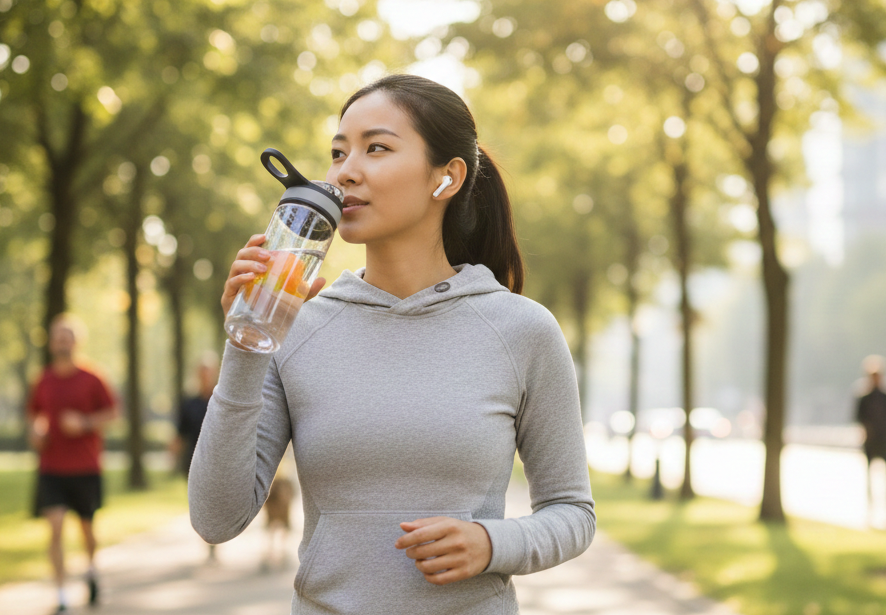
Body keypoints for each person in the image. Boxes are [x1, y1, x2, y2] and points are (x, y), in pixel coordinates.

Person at [189, 74, 595, 613]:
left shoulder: (522, 331)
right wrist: (248, 341)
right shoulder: (299, 326)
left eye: (376, 148)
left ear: (446, 178)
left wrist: (494, 543)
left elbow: (572, 511)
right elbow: (216, 519)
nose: (344, 172)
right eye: (337, 153)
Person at [28, 314, 118, 613]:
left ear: (77, 341)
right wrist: (36, 432)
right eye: (58, 336)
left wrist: (84, 422)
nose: (63, 342)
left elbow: (113, 414)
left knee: (86, 528)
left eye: (68, 336)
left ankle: (91, 570)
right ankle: (61, 594)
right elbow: (34, 416)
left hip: (85, 466)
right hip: (51, 467)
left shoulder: (93, 377)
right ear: (52, 343)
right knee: (54, 529)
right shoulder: (43, 380)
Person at [170, 355, 219, 561]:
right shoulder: (188, 403)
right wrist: (173, 455)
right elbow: (180, 433)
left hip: (219, 461)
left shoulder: (222, 400)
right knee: (200, 503)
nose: (205, 375)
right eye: (201, 371)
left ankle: (213, 539)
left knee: (215, 501)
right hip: (194, 460)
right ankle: (209, 538)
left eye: (208, 371)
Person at [854, 354, 886, 524]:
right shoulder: (864, 396)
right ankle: (870, 508)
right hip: (871, 440)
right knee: (869, 475)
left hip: (884, 438)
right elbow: (859, 417)